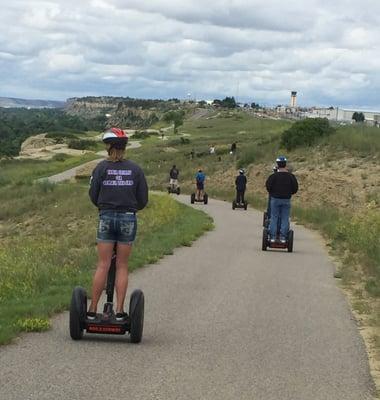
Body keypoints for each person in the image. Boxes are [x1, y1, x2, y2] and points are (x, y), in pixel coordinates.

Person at [88, 127, 148, 321]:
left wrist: (105, 206)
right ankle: (121, 311)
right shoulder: (136, 169)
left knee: (103, 264)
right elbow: (143, 199)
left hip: (106, 217)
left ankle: (92, 308)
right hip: (128, 218)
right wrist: (130, 208)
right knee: (121, 265)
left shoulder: (101, 168)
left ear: (108, 147)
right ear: (124, 147)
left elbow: (93, 195)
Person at [265, 156, 298, 244]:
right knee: (285, 218)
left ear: (277, 164)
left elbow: (268, 186)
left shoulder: (273, 176)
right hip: (286, 199)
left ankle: (272, 237)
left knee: (274, 217)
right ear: (285, 164)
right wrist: (289, 193)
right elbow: (295, 188)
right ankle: (283, 237)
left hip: (275, 199)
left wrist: (273, 192)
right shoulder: (291, 176)